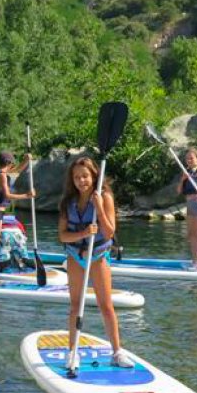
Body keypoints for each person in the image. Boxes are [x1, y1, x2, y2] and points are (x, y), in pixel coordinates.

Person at [58, 155, 134, 367]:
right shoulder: (67, 202)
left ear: (93, 176)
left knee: (106, 305)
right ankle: (72, 351)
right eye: (76, 177)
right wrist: (83, 233)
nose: (81, 181)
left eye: (85, 176)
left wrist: (99, 207)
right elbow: (63, 236)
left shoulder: (105, 197)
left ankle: (117, 352)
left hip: (98, 256)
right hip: (75, 256)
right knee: (75, 306)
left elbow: (109, 233)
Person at [0, 149, 35, 283]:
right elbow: (7, 195)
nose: (13, 167)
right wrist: (27, 196)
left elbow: (17, 170)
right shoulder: (2, 176)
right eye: (12, 164)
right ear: (9, 162)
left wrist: (26, 161)